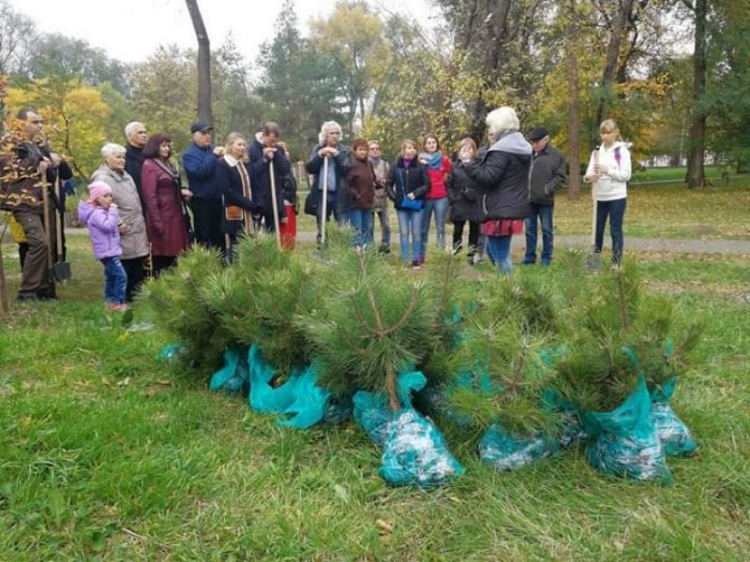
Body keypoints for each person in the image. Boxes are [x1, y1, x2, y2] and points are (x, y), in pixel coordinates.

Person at [0, 107, 71, 301]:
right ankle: (27, 291)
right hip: (22, 201)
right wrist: (39, 159)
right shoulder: (8, 144)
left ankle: (45, 289)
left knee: (50, 244)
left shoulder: (39, 143)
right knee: (39, 243)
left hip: (44, 199)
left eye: (41, 122)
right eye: (35, 122)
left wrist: (55, 161)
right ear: (21, 123)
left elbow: (62, 173)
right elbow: (11, 172)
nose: (40, 126)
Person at [465, 106, 531, 275]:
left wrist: (469, 164)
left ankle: (508, 291)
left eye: (492, 125)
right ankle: (504, 284)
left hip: (501, 207)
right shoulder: (519, 146)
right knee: (492, 250)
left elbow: (488, 178)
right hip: (508, 204)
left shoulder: (502, 150)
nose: (490, 129)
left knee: (500, 254)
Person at [91, 143, 150, 301]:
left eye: (123, 157)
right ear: (106, 158)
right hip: (120, 230)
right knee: (124, 266)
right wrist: (117, 222)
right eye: (118, 157)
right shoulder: (102, 178)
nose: (122, 160)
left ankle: (134, 299)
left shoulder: (126, 175)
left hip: (135, 227)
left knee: (137, 263)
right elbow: (99, 204)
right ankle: (119, 300)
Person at [141, 134, 192, 277]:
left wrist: (181, 193)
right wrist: (157, 221)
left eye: (168, 145)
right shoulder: (149, 165)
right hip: (163, 215)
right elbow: (149, 195)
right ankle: (161, 283)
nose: (167, 148)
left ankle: (174, 281)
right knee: (163, 252)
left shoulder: (167, 163)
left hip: (174, 213)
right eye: (163, 145)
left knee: (176, 251)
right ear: (155, 147)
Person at [584, 119, 632, 266]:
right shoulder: (597, 152)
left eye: (608, 133)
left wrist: (608, 171)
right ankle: (594, 262)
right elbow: (588, 174)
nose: (605, 136)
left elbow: (626, 175)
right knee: (597, 230)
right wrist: (590, 177)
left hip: (617, 197)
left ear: (616, 133)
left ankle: (616, 262)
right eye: (602, 133)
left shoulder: (621, 151)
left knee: (615, 229)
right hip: (600, 196)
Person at [77, 181, 128, 311]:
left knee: (111, 277)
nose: (109, 199)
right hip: (107, 252)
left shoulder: (103, 212)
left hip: (110, 250)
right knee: (121, 276)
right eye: (105, 196)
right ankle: (118, 302)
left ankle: (110, 302)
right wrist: (113, 212)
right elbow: (107, 226)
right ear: (96, 198)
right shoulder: (97, 214)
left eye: (110, 195)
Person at [523, 127, 566, 266]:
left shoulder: (555, 155)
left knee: (547, 230)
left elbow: (560, 177)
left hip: (545, 200)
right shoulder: (528, 154)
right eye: (532, 142)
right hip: (529, 200)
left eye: (537, 141)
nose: (534, 144)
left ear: (546, 140)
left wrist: (548, 189)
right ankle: (529, 257)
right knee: (529, 230)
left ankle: (546, 257)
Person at [305, 121, 352, 245]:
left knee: (342, 224)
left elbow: (346, 168)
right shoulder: (318, 148)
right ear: (326, 135)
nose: (335, 136)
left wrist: (336, 154)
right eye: (332, 133)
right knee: (322, 223)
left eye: (337, 133)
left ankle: (343, 251)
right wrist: (320, 155)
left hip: (339, 193)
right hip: (322, 192)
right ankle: (322, 249)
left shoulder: (344, 150)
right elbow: (310, 168)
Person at [386, 139, 430, 269]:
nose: (411, 150)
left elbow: (427, 185)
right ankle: (405, 260)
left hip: (417, 204)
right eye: (408, 148)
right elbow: (388, 184)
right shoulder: (395, 166)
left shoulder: (421, 166)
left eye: (413, 148)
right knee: (404, 233)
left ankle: (416, 260)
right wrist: (395, 198)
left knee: (416, 233)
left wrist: (416, 193)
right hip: (401, 206)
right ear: (403, 150)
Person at [215, 132, 257, 263]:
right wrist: (246, 203)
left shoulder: (245, 163)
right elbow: (226, 190)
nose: (242, 147)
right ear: (230, 145)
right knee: (236, 244)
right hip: (234, 211)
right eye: (239, 144)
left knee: (249, 243)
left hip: (249, 211)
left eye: (244, 144)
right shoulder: (223, 164)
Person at [183, 120, 224, 250]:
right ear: (194, 136)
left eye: (208, 133)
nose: (207, 136)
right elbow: (200, 172)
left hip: (217, 199)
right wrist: (213, 156)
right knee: (204, 236)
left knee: (219, 235)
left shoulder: (213, 150)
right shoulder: (189, 155)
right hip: (202, 201)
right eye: (203, 133)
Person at [248, 122, 289, 234]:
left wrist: (276, 155)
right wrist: (265, 159)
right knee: (256, 232)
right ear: (264, 135)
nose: (273, 143)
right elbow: (251, 173)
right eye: (271, 141)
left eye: (275, 141)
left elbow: (285, 170)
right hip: (258, 198)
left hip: (274, 198)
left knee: (273, 232)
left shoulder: (278, 149)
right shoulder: (251, 149)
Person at [446, 137, 482, 265]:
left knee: (474, 231)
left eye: (469, 148)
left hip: (473, 202)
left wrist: (474, 193)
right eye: (463, 148)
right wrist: (453, 198)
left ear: (474, 150)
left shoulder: (479, 164)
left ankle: (471, 256)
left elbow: (483, 182)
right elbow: (449, 184)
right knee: (457, 231)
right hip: (459, 202)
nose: (466, 151)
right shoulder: (455, 166)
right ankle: (455, 254)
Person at [418, 135, 451, 264]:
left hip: (441, 197)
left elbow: (448, 176)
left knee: (440, 227)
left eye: (433, 142)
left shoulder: (444, 160)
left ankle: (440, 254)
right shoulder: (420, 159)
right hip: (426, 197)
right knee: (423, 228)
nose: (431, 145)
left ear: (437, 144)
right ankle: (421, 254)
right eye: (428, 143)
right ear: (425, 146)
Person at [347, 138, 376, 250]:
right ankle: (357, 252)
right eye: (360, 149)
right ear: (355, 151)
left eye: (364, 149)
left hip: (368, 202)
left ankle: (368, 252)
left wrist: (378, 183)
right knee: (356, 229)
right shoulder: (352, 164)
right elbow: (347, 183)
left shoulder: (369, 164)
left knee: (368, 228)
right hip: (356, 203)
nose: (362, 152)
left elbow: (372, 178)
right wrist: (355, 194)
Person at [368, 140, 391, 253]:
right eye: (372, 149)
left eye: (377, 148)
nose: (375, 151)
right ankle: (370, 247)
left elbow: (390, 180)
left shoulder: (385, 164)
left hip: (382, 198)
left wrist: (385, 183)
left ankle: (385, 245)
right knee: (370, 226)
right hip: (369, 199)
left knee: (386, 225)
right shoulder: (366, 164)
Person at [276, 141, 298, 250]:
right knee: (285, 231)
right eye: (283, 150)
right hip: (283, 203)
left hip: (291, 203)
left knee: (291, 231)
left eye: (286, 149)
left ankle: (289, 250)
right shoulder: (278, 167)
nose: (286, 152)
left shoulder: (288, 167)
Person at [124, 121, 148, 202]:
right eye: (140, 133)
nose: (144, 135)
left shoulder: (151, 153)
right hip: (135, 199)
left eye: (145, 132)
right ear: (129, 135)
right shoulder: (123, 156)